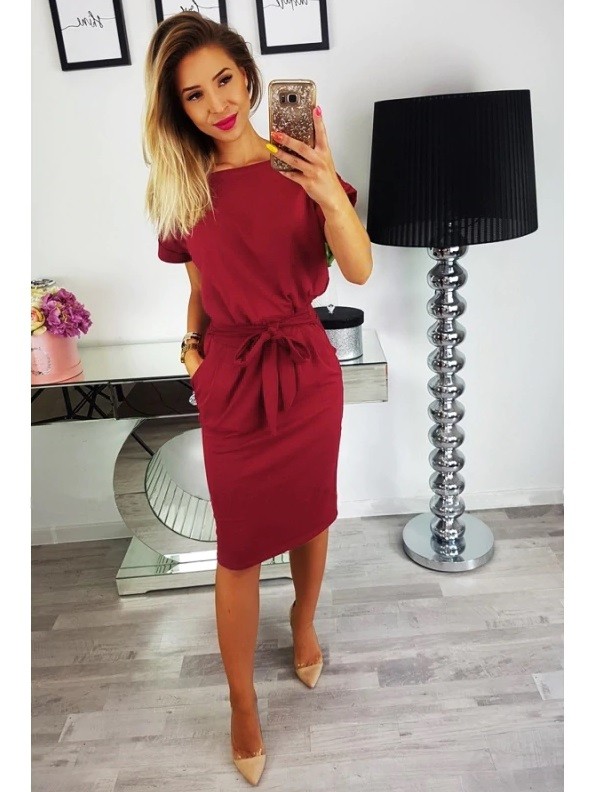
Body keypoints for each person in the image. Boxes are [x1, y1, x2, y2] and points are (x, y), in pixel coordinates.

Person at [143, 11, 372, 786]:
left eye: (224, 81)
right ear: (178, 108)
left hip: (305, 369)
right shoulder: (183, 190)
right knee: (238, 549)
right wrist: (192, 355)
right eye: (194, 94)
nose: (217, 103)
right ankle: (242, 704)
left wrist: (327, 187)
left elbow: (360, 269)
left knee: (311, 515)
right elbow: (200, 289)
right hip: (233, 377)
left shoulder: (297, 165)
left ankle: (303, 623)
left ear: (248, 76)